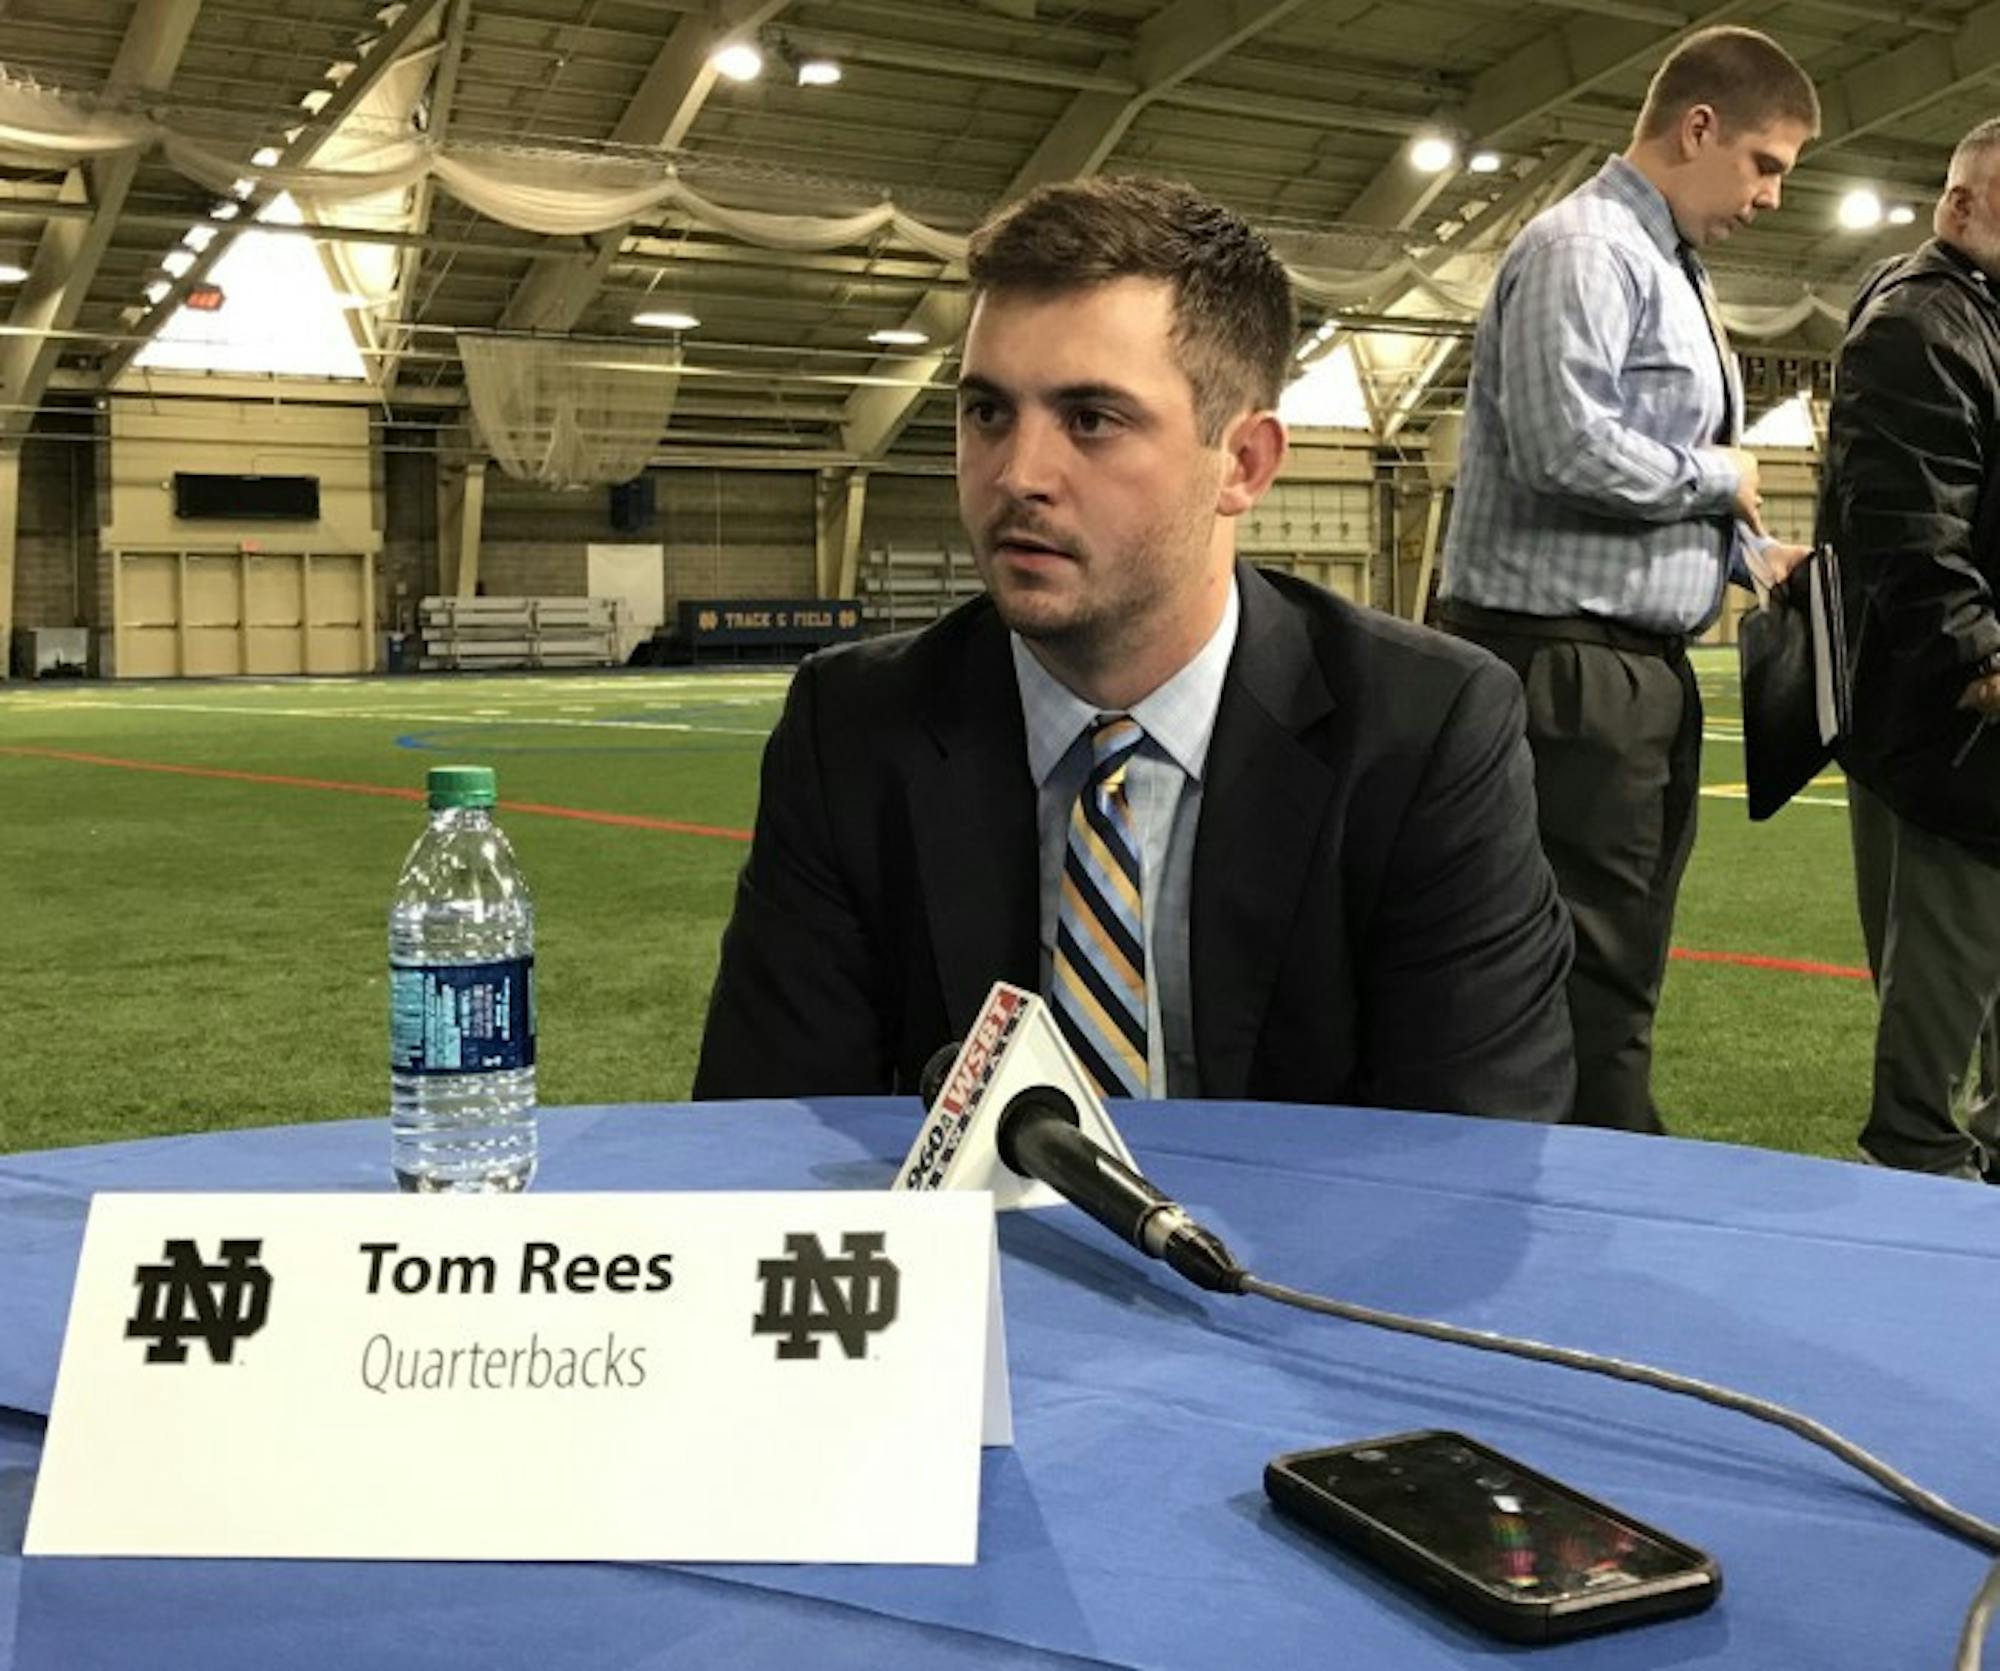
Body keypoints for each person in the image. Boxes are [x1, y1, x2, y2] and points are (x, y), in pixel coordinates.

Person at [693, 176, 1575, 1121]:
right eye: (987, 412)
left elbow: (1475, 1155)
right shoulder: (854, 729)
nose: (1019, 475)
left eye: (1091, 420)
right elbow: (766, 1134)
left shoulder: (1424, 729)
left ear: (1243, 464)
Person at [1435, 27, 1819, 1132]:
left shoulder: (1662, 266)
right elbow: (1565, 442)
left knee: (1618, 956)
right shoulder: (1584, 250)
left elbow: (1643, 463)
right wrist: (1718, 473)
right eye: (1765, 164)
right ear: (1697, 128)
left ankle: (1601, 1158)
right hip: (1559, 668)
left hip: (1622, 670)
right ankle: (1577, 1179)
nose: (1771, 196)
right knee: (1576, 960)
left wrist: (1751, 556)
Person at [1822, 116, 2000, 1180]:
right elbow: (1904, 520)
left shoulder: (1973, 317)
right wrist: (1978, 660)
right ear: (1961, 204)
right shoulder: (1918, 323)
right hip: (1951, 730)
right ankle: (1918, 1202)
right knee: (1938, 1001)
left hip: (1967, 720)